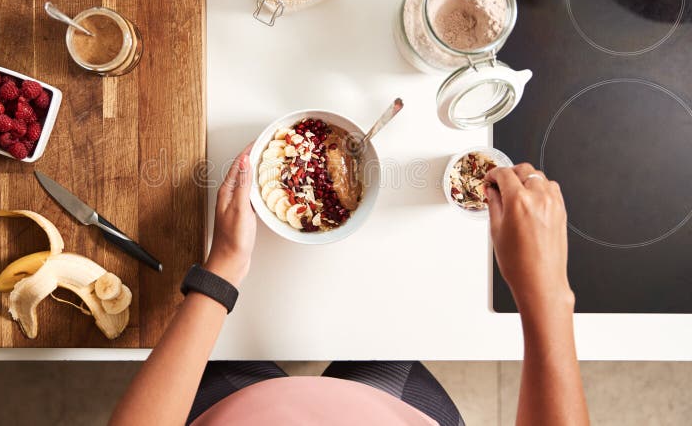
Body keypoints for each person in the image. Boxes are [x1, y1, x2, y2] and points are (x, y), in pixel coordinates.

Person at [110, 145, 590, 426]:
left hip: (235, 410)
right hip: (386, 411)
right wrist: (545, 292)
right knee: (385, 333)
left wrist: (223, 269)